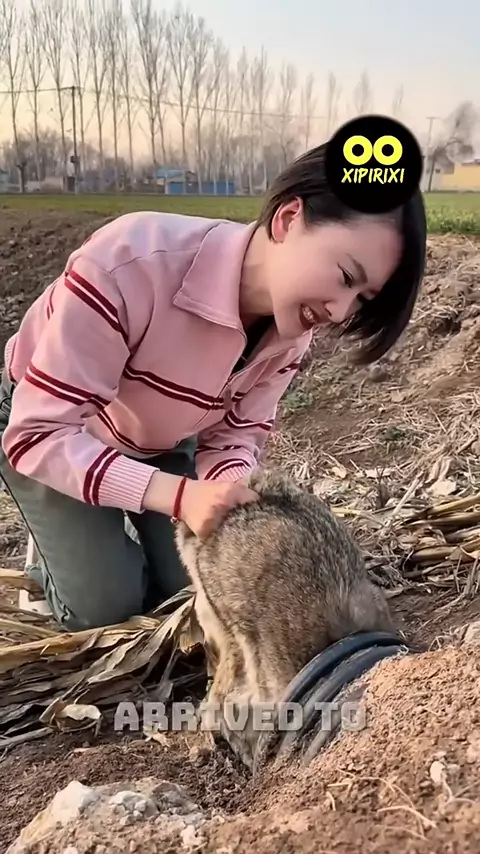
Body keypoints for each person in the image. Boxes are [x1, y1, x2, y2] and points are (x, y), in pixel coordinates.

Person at [0, 142, 427, 632]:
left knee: (186, 591)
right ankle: (60, 549)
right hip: (57, 428)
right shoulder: (129, 262)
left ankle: (110, 532)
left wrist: (237, 504)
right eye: (346, 276)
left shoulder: (291, 333)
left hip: (163, 433)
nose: (339, 311)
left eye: (362, 298)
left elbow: (235, 435)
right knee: (106, 609)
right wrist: (180, 497)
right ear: (289, 219)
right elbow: (38, 434)